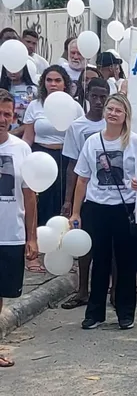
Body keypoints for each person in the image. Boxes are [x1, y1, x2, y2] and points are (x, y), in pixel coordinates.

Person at [70, 94, 137, 330]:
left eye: (118, 110)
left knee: (126, 263)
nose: (113, 113)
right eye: (110, 109)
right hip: (97, 208)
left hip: (126, 209)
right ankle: (95, 313)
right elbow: (82, 179)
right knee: (100, 261)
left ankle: (125, 313)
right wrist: (76, 212)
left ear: (126, 116)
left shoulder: (136, 142)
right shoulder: (92, 142)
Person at [59, 77, 109, 310]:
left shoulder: (116, 125)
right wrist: (69, 201)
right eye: (95, 96)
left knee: (112, 244)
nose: (99, 101)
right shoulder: (77, 127)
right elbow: (71, 166)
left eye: (103, 97)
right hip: (85, 194)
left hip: (110, 194)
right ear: (87, 97)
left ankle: (115, 290)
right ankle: (82, 290)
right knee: (84, 244)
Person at [0, 89, 38, 368]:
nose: (2, 119)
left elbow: (29, 195)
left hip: (10, 234)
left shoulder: (21, 149)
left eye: (7, 114)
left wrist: (31, 237)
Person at [22, 66, 84, 233]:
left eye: (58, 80)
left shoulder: (75, 107)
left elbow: (80, 137)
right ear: (43, 83)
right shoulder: (35, 106)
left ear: (65, 84)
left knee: (63, 199)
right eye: (49, 80)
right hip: (39, 157)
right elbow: (28, 137)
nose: (53, 84)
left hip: (66, 158)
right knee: (40, 199)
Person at [0, 64, 38, 137]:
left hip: (25, 134)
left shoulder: (33, 90)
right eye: (9, 68)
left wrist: (16, 131)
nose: (12, 72)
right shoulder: (2, 89)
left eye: (16, 68)